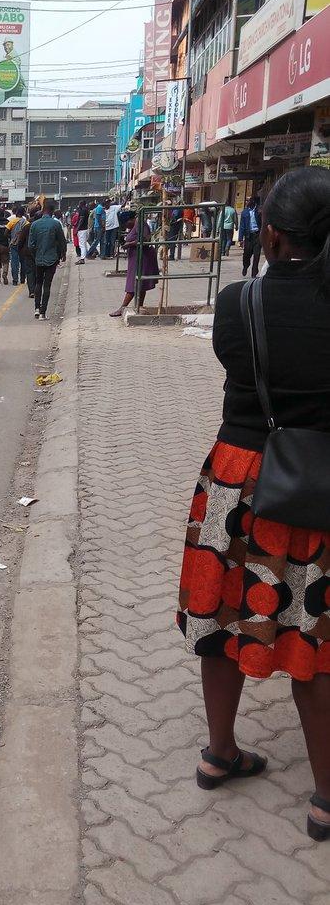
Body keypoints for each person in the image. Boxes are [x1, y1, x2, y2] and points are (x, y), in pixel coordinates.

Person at [176, 166, 330, 841]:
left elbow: (238, 368)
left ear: (269, 233)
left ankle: (220, 753)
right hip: (316, 485)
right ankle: (325, 798)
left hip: (236, 480)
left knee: (221, 618)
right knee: (313, 638)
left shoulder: (239, 305)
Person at [110, 213, 158, 316]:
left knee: (133, 283)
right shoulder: (136, 225)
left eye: (126, 224)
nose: (126, 227)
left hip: (142, 257)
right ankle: (139, 306)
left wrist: (130, 244)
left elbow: (145, 239)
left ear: (130, 220)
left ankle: (123, 307)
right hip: (136, 257)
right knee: (140, 283)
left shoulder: (140, 224)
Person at [26, 200, 66, 320]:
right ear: (52, 212)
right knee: (47, 285)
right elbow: (62, 241)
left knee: (38, 283)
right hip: (52, 258)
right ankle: (43, 312)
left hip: (38, 259)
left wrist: (35, 255)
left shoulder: (35, 224)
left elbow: (31, 245)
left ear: (42, 210)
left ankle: (36, 309)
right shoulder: (55, 224)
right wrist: (62, 254)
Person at [239, 195, 262, 276]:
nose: (246, 202)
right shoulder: (244, 212)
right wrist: (240, 239)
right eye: (246, 200)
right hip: (249, 236)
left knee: (256, 255)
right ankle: (245, 266)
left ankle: (254, 272)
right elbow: (241, 226)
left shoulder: (258, 211)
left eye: (248, 200)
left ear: (252, 201)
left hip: (257, 235)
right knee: (246, 254)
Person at [8, 205, 27, 284]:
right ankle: (22, 279)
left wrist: (12, 236)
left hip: (14, 244)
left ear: (16, 213)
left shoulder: (12, 222)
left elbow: (5, 233)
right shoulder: (26, 222)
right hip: (23, 245)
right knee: (23, 262)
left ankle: (15, 280)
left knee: (14, 262)